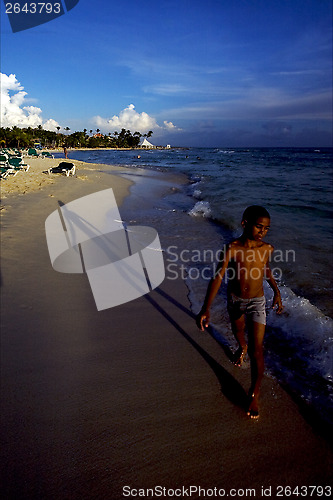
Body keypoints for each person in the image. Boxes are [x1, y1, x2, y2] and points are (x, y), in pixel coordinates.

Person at [196, 206, 283, 419]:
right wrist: (205, 308)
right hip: (235, 300)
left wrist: (276, 291)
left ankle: (254, 392)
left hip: (257, 302)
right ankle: (241, 347)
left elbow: (266, 269)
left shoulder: (267, 248)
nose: (262, 231)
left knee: (258, 350)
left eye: (266, 229)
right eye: (258, 226)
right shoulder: (232, 248)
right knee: (238, 331)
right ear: (245, 223)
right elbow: (218, 277)